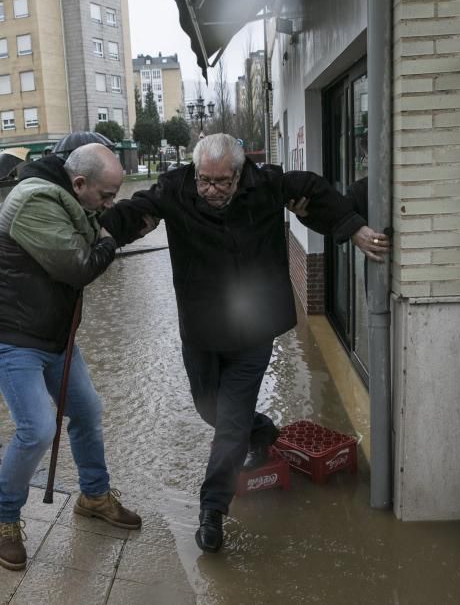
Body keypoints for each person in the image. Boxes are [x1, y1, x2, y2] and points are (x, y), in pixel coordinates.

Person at [100, 133, 389, 553]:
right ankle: (263, 431)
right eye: (205, 180)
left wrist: (356, 229)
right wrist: (96, 231)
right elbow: (136, 213)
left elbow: (311, 189)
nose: (211, 190)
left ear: (239, 175)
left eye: (221, 182)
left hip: (252, 329)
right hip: (200, 327)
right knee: (208, 407)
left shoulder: (266, 185)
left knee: (230, 419)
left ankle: (212, 509)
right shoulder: (175, 189)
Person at [0, 143, 149, 571]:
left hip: (51, 336)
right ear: (79, 183)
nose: (108, 205)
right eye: (106, 196)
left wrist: (116, 225)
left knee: (86, 410)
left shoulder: (70, 200)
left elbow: (91, 234)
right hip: (9, 337)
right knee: (36, 429)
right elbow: (78, 265)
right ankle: (2, 519)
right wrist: (109, 239)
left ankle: (93, 495)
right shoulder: (35, 201)